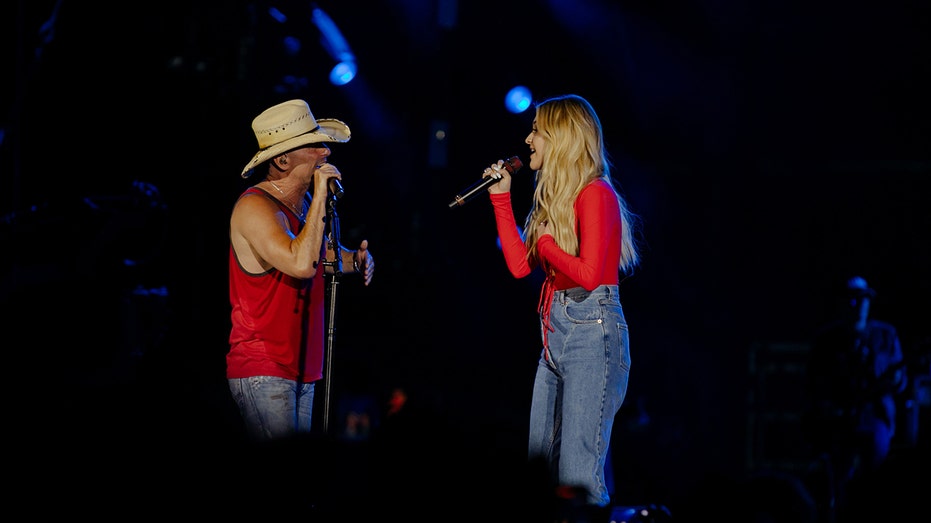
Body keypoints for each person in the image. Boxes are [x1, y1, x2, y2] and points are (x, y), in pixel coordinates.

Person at [482, 93, 641, 508]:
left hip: (593, 332)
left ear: (561, 138)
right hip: (555, 333)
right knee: (540, 467)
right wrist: (502, 198)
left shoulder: (596, 194)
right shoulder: (551, 202)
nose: (528, 138)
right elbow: (519, 267)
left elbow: (588, 275)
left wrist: (547, 241)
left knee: (577, 476)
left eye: (537, 130)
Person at [227, 98, 375, 441]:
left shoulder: (302, 205)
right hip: (265, 367)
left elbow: (319, 254)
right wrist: (321, 196)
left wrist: (358, 260)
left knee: (300, 482)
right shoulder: (255, 207)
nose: (326, 152)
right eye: (314, 145)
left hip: (303, 368)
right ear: (282, 159)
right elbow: (299, 263)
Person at [802, 275, 907, 522]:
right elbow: (813, 383)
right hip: (839, 422)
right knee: (838, 479)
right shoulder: (826, 341)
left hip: (875, 418)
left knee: (877, 475)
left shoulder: (886, 335)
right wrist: (827, 407)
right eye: (851, 300)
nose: (857, 306)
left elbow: (901, 380)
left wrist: (894, 381)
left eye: (862, 300)